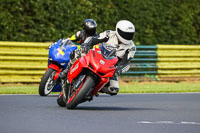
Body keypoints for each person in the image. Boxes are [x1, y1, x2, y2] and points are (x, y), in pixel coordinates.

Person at [59, 20, 136, 96]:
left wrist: (118, 70)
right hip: (98, 55)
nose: (127, 36)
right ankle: (67, 70)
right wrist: (86, 44)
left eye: (130, 34)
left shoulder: (131, 47)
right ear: (118, 30)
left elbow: (126, 62)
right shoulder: (109, 34)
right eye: (125, 34)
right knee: (77, 53)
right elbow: (94, 38)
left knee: (114, 90)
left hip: (111, 67)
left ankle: (94, 90)